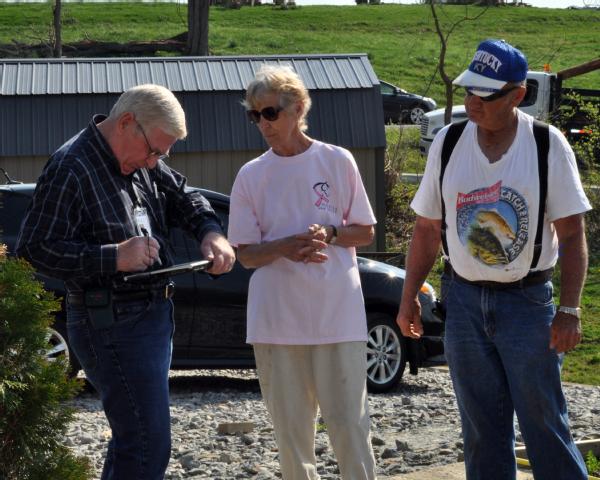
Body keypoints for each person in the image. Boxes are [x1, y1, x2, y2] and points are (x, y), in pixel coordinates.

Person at [16, 84, 235, 480]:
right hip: (111, 323)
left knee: (134, 439)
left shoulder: (142, 160)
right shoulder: (71, 166)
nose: (155, 163)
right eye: (154, 151)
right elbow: (35, 248)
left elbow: (184, 195)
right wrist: (114, 256)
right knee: (148, 445)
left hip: (153, 315)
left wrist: (210, 233)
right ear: (127, 123)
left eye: (162, 156)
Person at [396, 39, 590, 480]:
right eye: (467, 92)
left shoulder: (546, 145)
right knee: (481, 429)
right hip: (462, 302)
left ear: (517, 95)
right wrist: (408, 298)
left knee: (544, 424)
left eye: (484, 95)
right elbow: (426, 229)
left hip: (528, 305)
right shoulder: (447, 142)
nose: (471, 103)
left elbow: (573, 233)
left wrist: (570, 310)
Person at [228, 65, 378, 480]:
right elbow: (244, 254)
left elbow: (364, 231)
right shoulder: (250, 175)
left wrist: (329, 233)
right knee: (292, 438)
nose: (262, 124)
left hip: (338, 317)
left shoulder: (337, 159)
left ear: (297, 108)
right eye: (254, 115)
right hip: (276, 323)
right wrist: (284, 248)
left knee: (350, 426)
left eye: (270, 112)